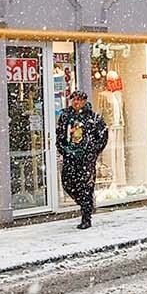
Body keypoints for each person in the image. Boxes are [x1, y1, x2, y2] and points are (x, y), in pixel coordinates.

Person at [56, 87, 109, 229]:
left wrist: (93, 151)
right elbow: (60, 134)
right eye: (74, 99)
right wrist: (62, 148)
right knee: (67, 183)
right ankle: (86, 204)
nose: (76, 102)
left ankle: (86, 216)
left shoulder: (93, 118)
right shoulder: (66, 116)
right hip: (70, 156)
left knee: (85, 186)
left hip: (86, 158)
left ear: (85, 101)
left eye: (79, 99)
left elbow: (103, 135)